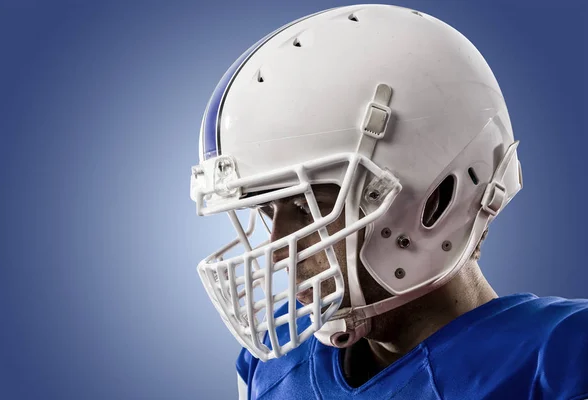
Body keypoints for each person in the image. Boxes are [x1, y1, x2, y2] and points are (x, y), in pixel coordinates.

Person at [190, 4, 588, 399]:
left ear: (435, 203)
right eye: (266, 210)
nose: (276, 252)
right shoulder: (275, 356)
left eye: (307, 208)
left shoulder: (562, 363)